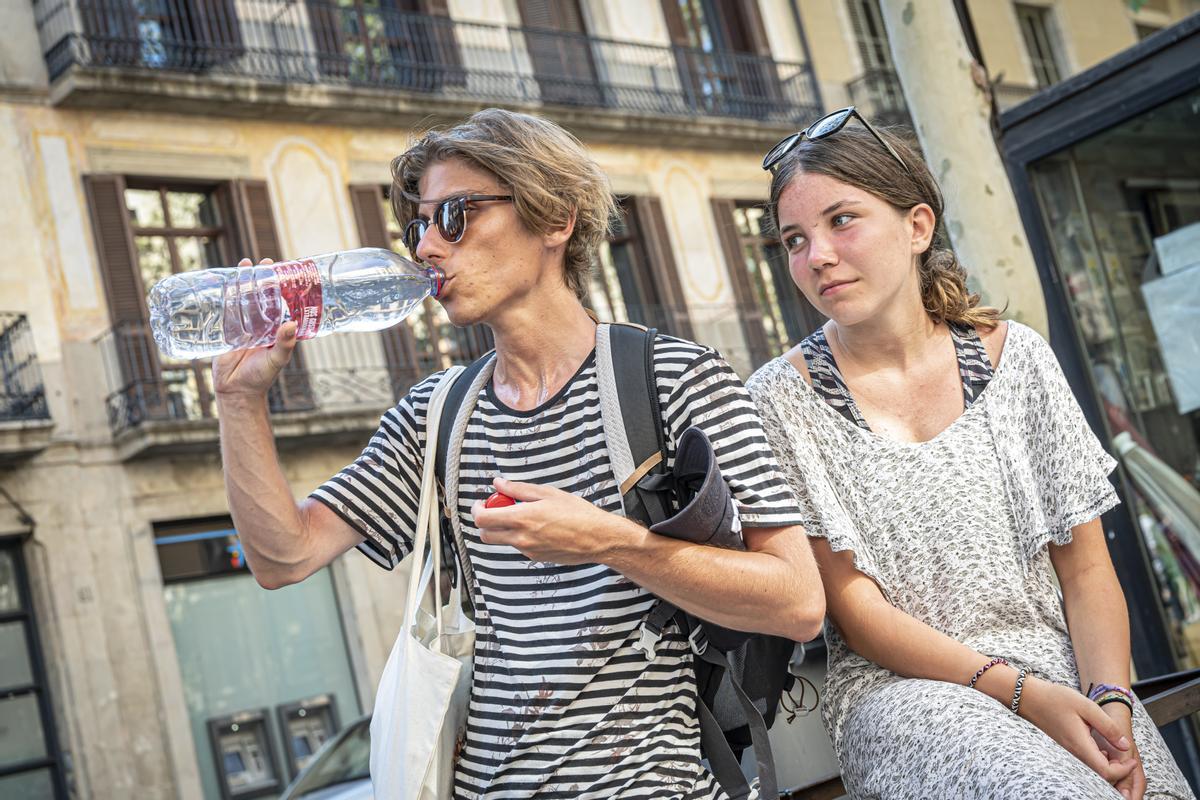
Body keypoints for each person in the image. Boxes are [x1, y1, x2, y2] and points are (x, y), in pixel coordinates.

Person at [213, 108, 824, 799]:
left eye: (457, 216)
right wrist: (240, 403)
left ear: (555, 220)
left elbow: (798, 601)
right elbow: (283, 556)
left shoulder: (674, 380)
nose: (426, 250)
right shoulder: (435, 414)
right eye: (419, 227)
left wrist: (610, 543)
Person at [744, 108, 1196, 800]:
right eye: (794, 240)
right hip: (904, 695)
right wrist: (1025, 694)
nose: (817, 257)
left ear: (918, 225)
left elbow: (1086, 571)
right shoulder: (779, 398)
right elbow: (857, 613)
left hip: (1062, 669)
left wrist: (1111, 701)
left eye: (842, 221)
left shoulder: (1019, 360)